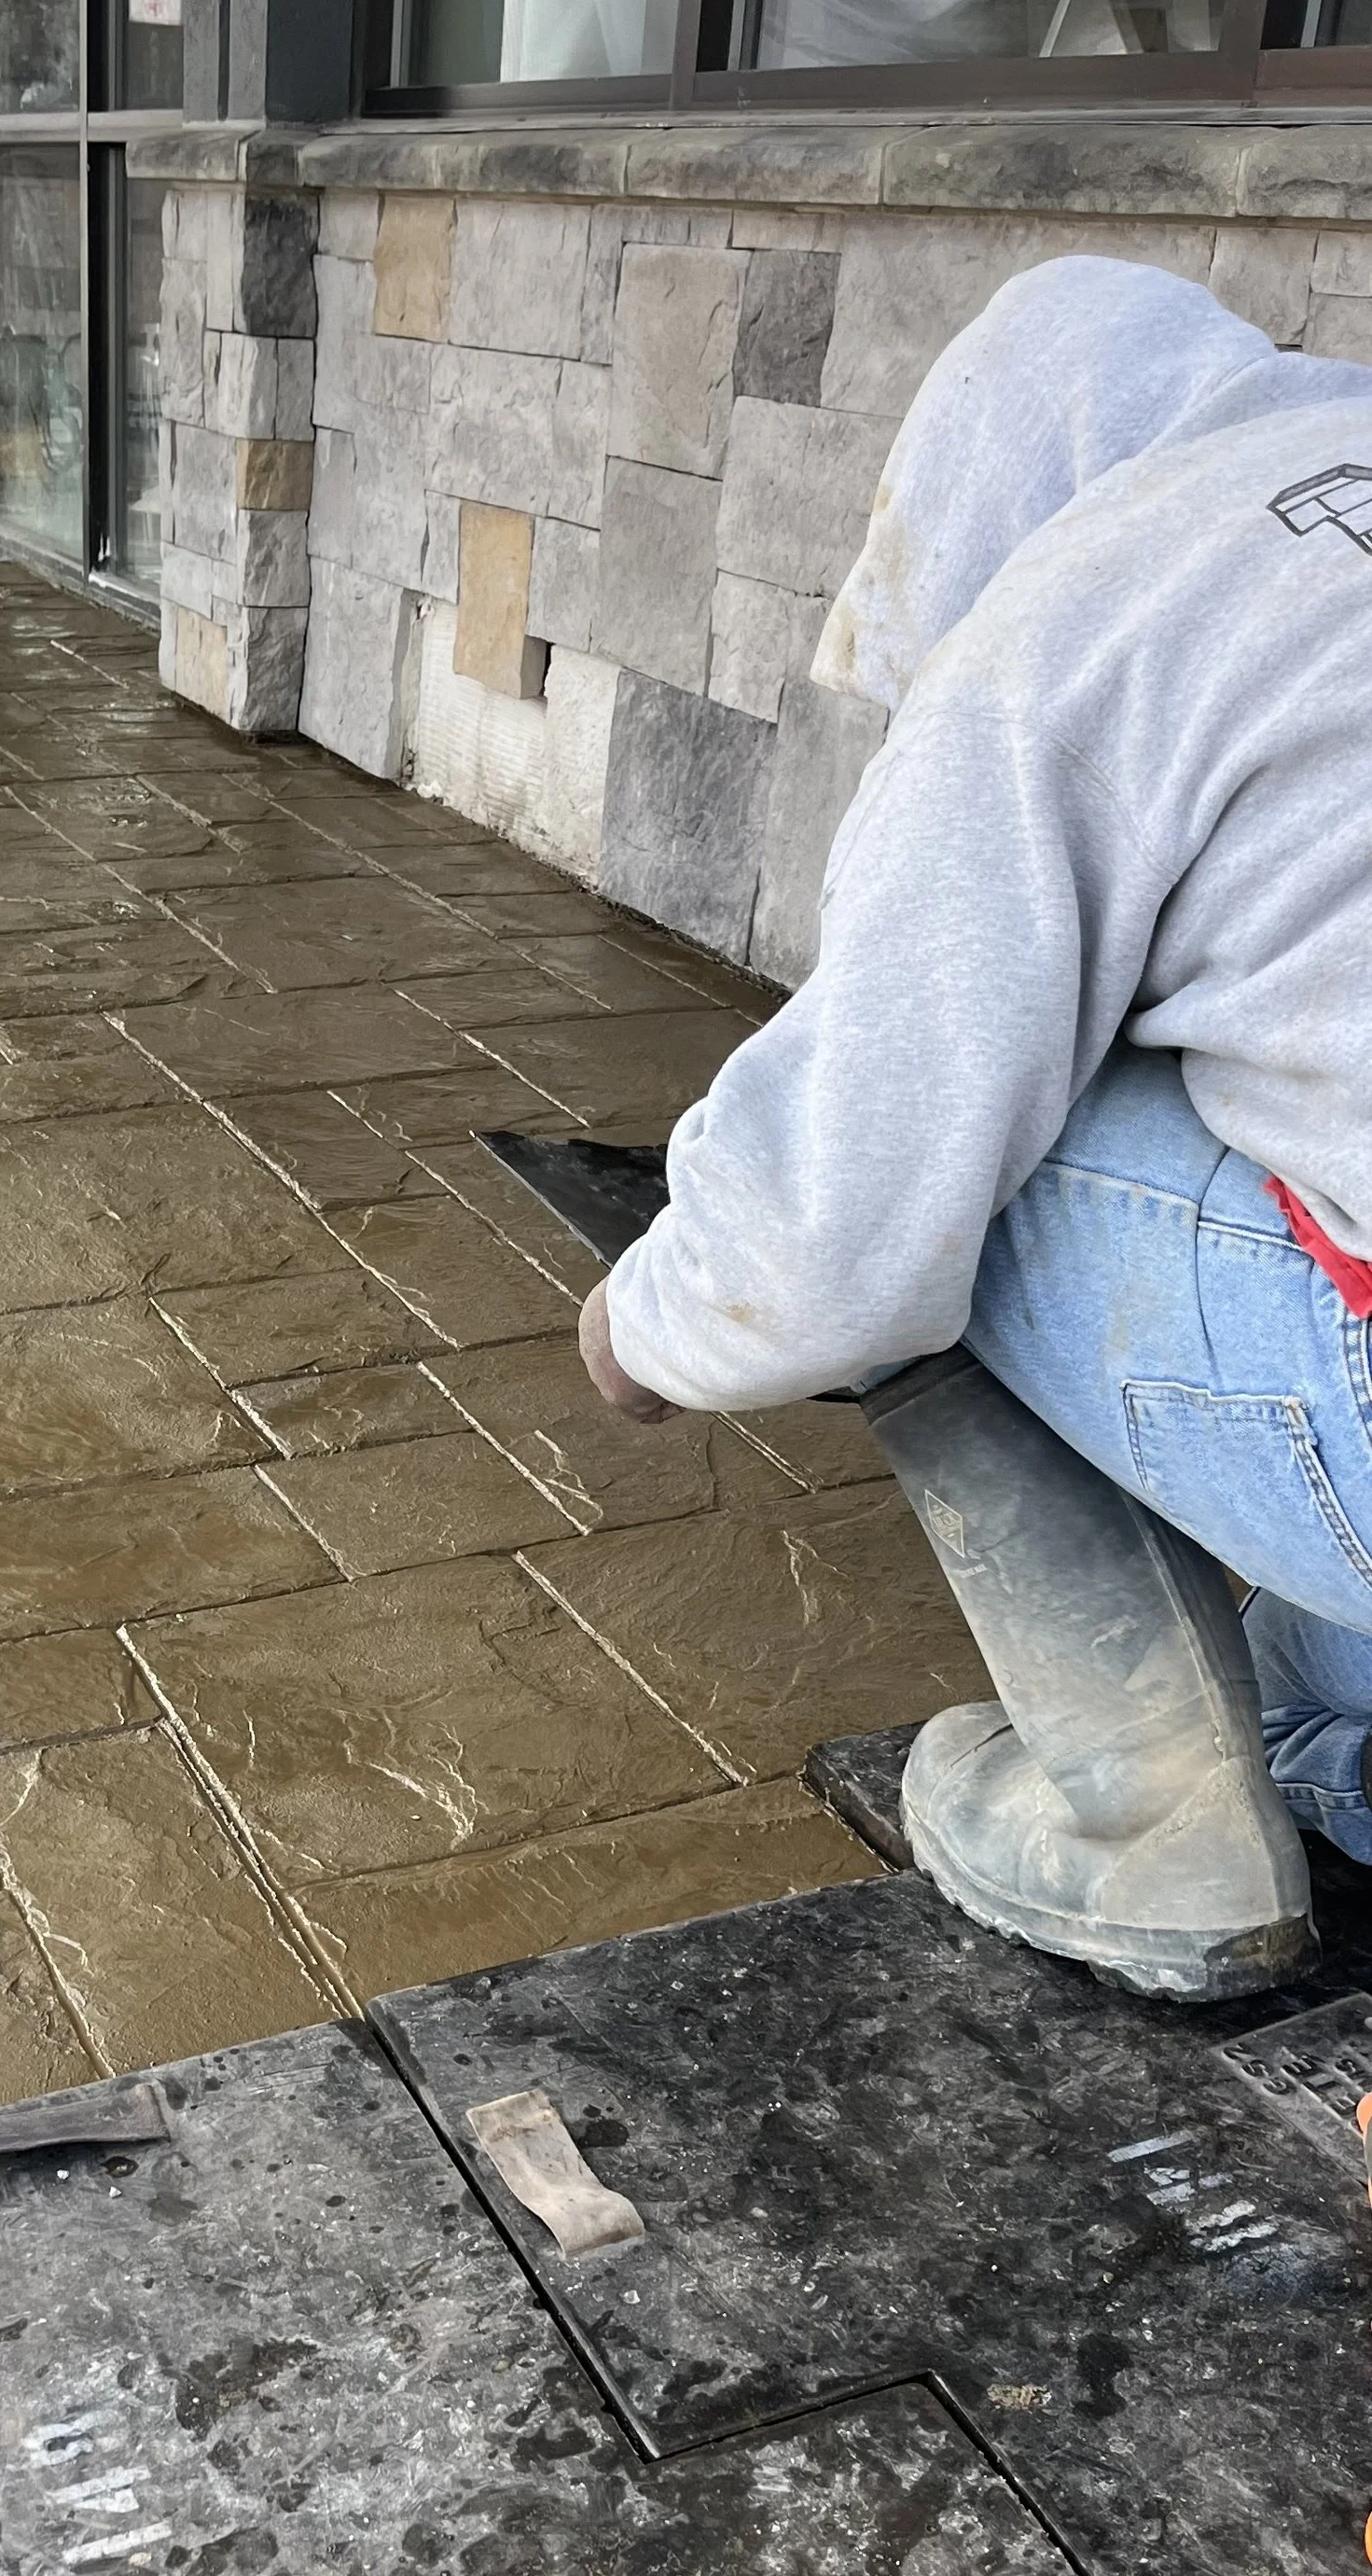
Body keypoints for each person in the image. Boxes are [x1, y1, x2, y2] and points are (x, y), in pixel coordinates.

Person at [577, 256, 1372, 2001]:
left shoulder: (1080, 613)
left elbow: (836, 1223)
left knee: (951, 1146)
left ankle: (1150, 1832)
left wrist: (643, 1321)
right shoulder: (1324, 468)